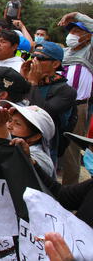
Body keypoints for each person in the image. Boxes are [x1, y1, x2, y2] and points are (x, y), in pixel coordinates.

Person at [22, 42, 77, 166]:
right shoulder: (30, 81)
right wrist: (23, 80)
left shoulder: (66, 91)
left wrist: (32, 82)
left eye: (40, 58)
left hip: (46, 147)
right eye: (33, 56)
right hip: (20, 138)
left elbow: (41, 113)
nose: (34, 61)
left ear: (56, 64)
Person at [58, 12, 93, 185]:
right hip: (56, 103)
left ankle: (68, 190)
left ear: (88, 37)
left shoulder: (90, 52)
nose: (72, 35)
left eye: (78, 32)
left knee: (71, 148)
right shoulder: (63, 52)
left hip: (77, 106)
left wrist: (76, 15)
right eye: (71, 31)